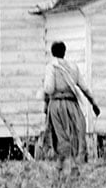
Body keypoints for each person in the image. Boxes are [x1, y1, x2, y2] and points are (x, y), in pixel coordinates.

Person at [41, 41, 99, 171]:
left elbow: (49, 89)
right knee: (75, 134)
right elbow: (85, 88)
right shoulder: (73, 67)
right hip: (72, 105)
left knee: (60, 135)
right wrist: (93, 103)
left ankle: (63, 166)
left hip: (57, 105)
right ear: (64, 52)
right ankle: (73, 165)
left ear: (52, 52)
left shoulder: (51, 67)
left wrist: (45, 103)